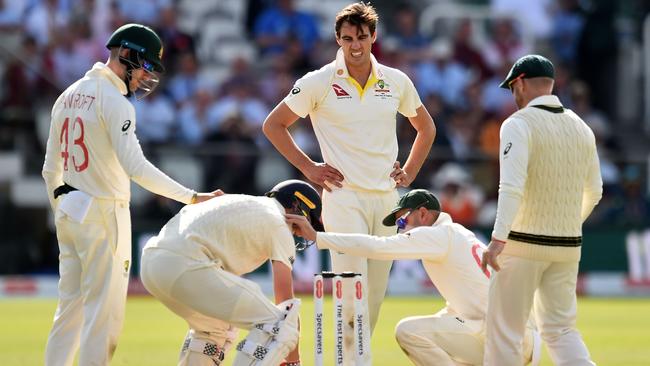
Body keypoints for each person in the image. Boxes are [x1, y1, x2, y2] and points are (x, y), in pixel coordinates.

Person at [263, 3, 435, 364]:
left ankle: (353, 360)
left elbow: (426, 128)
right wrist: (309, 168)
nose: (355, 46)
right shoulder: (318, 81)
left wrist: (411, 171)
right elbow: (273, 125)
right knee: (350, 293)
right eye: (347, 39)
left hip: (387, 201)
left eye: (361, 37)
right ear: (337, 39)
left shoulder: (396, 80)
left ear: (374, 36)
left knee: (372, 298)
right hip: (344, 199)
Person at [41, 23, 221, 366]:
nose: (144, 77)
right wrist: (191, 196)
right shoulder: (114, 101)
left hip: (70, 211)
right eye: (145, 66)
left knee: (69, 312)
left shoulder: (68, 94)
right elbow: (136, 168)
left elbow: (50, 169)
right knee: (102, 315)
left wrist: (63, 207)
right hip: (104, 212)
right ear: (126, 55)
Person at [286, 189, 541, 365]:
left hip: (502, 338)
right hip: (518, 338)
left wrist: (317, 237)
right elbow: (462, 301)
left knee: (408, 331)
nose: (401, 229)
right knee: (445, 348)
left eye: (402, 220)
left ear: (422, 213)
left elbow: (378, 247)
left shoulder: (437, 235)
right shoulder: (457, 234)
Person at [481, 54, 602, 365]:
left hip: (521, 244)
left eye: (511, 88)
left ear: (519, 82)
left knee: (505, 333)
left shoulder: (518, 124)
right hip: (567, 247)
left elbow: (510, 188)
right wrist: (565, 225)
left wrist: (497, 240)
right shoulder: (581, 126)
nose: (512, 95)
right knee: (561, 331)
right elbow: (595, 191)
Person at [140, 180, 323, 366]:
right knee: (281, 324)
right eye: (311, 220)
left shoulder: (241, 203)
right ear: (296, 205)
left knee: (215, 328)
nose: (303, 233)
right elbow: (286, 304)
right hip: (185, 264)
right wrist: (294, 362)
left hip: (151, 263)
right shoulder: (279, 224)